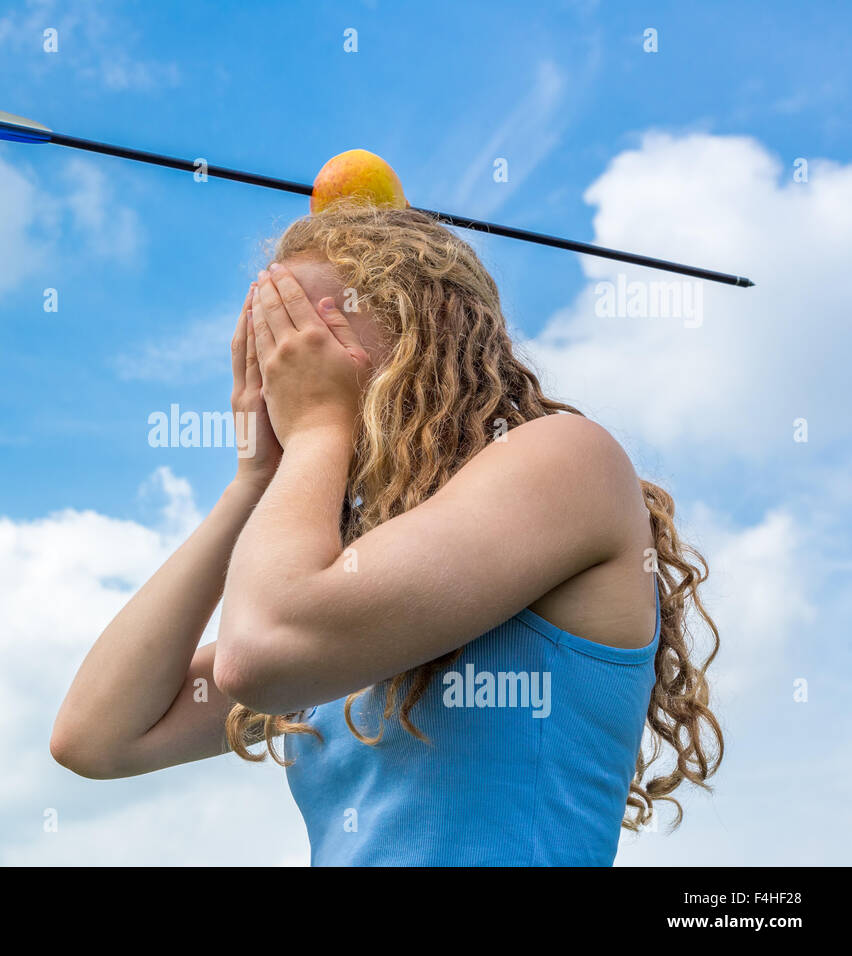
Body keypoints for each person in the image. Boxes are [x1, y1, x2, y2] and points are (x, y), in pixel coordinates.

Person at [50, 202, 723, 865]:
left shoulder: (570, 461)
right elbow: (96, 736)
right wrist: (251, 484)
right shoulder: (343, 587)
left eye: (309, 330)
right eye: (270, 345)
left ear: (427, 328)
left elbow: (258, 652)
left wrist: (316, 429)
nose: (286, 366)